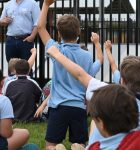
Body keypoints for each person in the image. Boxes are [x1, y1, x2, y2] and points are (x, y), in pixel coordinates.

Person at [46, 45, 140, 148]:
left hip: (101, 146)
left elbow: (80, 75)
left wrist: (57, 54)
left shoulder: (108, 94)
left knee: (95, 123)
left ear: (121, 79)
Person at [38, 0, 95, 149]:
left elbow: (40, 28)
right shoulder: (87, 56)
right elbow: (87, 82)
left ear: (58, 33)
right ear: (79, 32)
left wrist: (45, 5)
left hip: (58, 106)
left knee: (50, 144)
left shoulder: (57, 50)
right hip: (78, 107)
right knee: (80, 143)